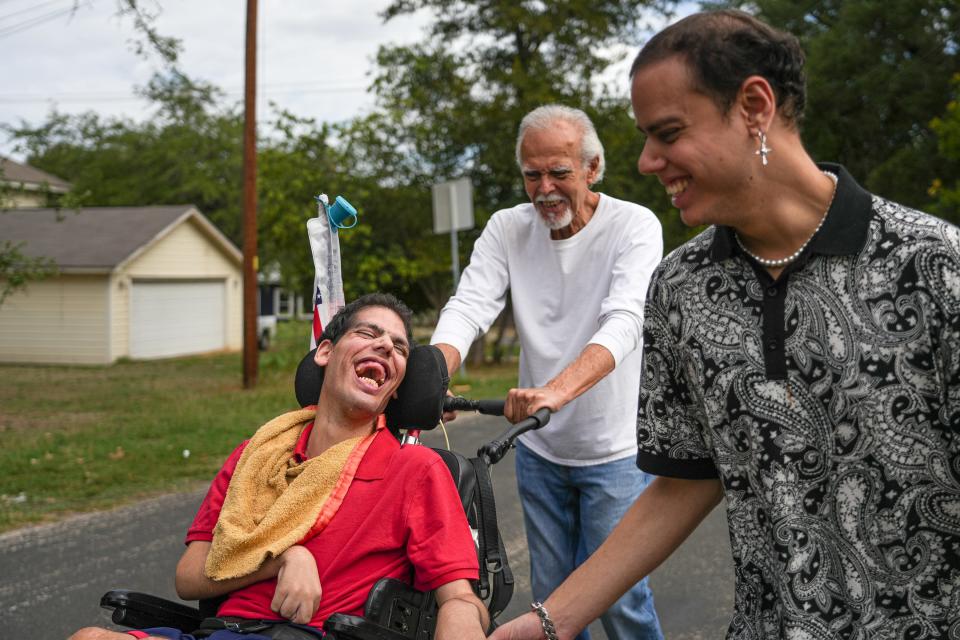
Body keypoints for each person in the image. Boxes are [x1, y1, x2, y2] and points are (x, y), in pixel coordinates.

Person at [490, 9, 960, 640]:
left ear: (754, 107)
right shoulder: (682, 288)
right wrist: (549, 622)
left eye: (668, 133)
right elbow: (684, 480)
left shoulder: (934, 267)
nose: (649, 160)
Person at [71, 293, 488, 640]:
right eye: (368, 333)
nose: (386, 347)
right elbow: (189, 577)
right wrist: (283, 558)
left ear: (395, 389)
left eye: (399, 347)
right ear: (325, 351)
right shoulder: (257, 455)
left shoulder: (415, 469)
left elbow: (460, 601)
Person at [431, 105, 665, 640]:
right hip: (541, 455)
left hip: (615, 453)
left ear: (593, 167)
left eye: (559, 172)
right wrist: (432, 374)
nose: (544, 189)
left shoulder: (634, 225)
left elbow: (626, 320)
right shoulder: (508, 229)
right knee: (553, 605)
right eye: (532, 174)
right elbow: (468, 306)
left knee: (622, 601)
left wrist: (555, 392)